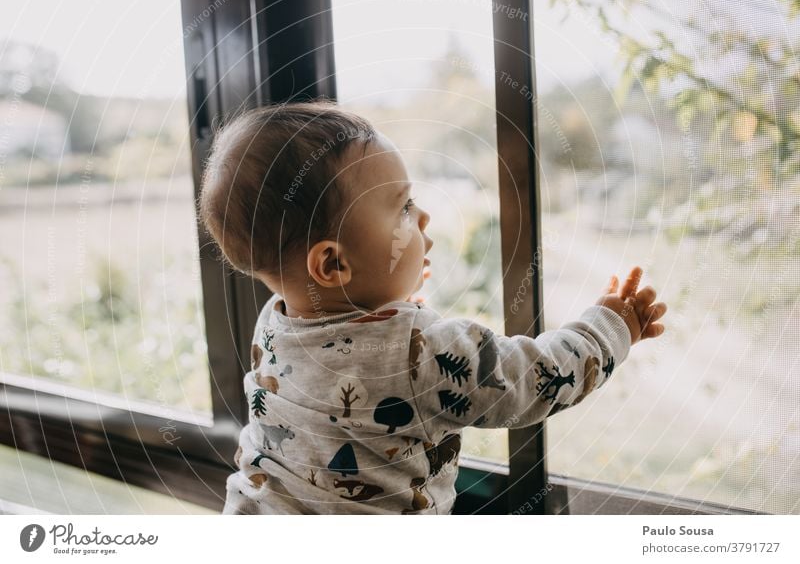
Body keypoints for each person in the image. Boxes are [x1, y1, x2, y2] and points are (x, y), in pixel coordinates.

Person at [198, 100, 668, 514]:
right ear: (334, 263)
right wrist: (611, 326)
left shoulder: (276, 322)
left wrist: (386, 291)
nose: (422, 216)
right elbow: (533, 379)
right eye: (403, 207)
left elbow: (348, 352)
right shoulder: (423, 353)